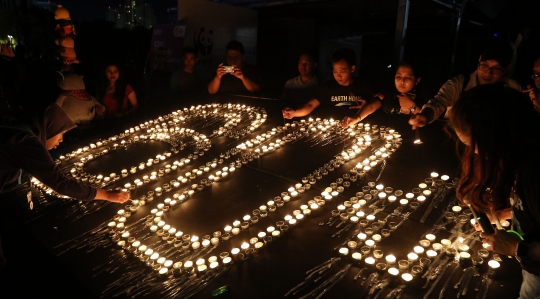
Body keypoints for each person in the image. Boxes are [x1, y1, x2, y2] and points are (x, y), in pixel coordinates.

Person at [0, 104, 130, 266]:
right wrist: (107, 195)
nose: (61, 140)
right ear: (50, 127)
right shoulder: (25, 142)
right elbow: (60, 183)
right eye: (61, 133)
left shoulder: (17, 131)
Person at [448, 84, 540, 299]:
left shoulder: (535, 173)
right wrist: (505, 214)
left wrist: (520, 248)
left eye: (473, 144)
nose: (475, 153)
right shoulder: (523, 157)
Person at [410, 42, 522, 129]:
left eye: (496, 68)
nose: (488, 73)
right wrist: (425, 115)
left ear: (507, 68)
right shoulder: (461, 83)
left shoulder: (513, 89)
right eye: (484, 65)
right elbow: (440, 101)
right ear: (479, 60)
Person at [282, 48, 379, 121]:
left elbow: (376, 106)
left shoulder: (363, 86)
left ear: (352, 69)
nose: (338, 75)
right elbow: (310, 105)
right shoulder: (327, 87)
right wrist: (294, 113)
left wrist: (366, 108)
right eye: (335, 71)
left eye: (342, 71)